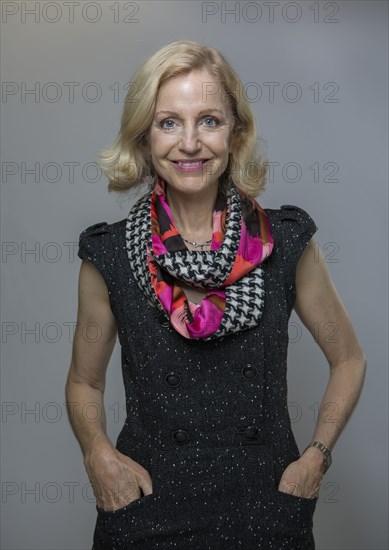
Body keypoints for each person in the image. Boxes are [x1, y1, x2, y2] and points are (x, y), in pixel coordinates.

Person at [65, 40, 367, 549]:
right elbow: (83, 382)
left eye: (208, 120)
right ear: (144, 138)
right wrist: (97, 454)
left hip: (266, 508)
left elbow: (349, 358)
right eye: (168, 122)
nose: (189, 143)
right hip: (146, 508)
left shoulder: (285, 242)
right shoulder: (111, 254)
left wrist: (316, 456)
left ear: (235, 133)